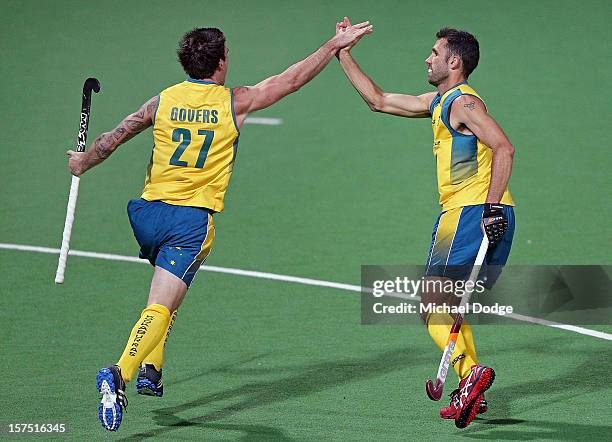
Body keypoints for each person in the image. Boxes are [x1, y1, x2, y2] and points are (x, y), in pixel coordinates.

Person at [66, 23, 373, 432]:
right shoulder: (235, 102)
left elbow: (113, 138)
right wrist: (334, 45)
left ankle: (151, 369)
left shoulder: (162, 100)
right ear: (222, 61)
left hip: (147, 215)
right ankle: (119, 374)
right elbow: (291, 79)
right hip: (190, 222)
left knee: (166, 292)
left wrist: (84, 161)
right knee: (160, 305)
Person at [335, 18, 515, 428]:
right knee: (446, 306)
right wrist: (343, 52)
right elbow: (379, 100)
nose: (427, 58)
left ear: (453, 61)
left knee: (432, 304)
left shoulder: (463, 103)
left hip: (471, 213)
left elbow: (504, 147)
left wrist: (488, 209)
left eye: (434, 53)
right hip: (483, 214)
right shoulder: (439, 103)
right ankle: (470, 384)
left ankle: (470, 377)